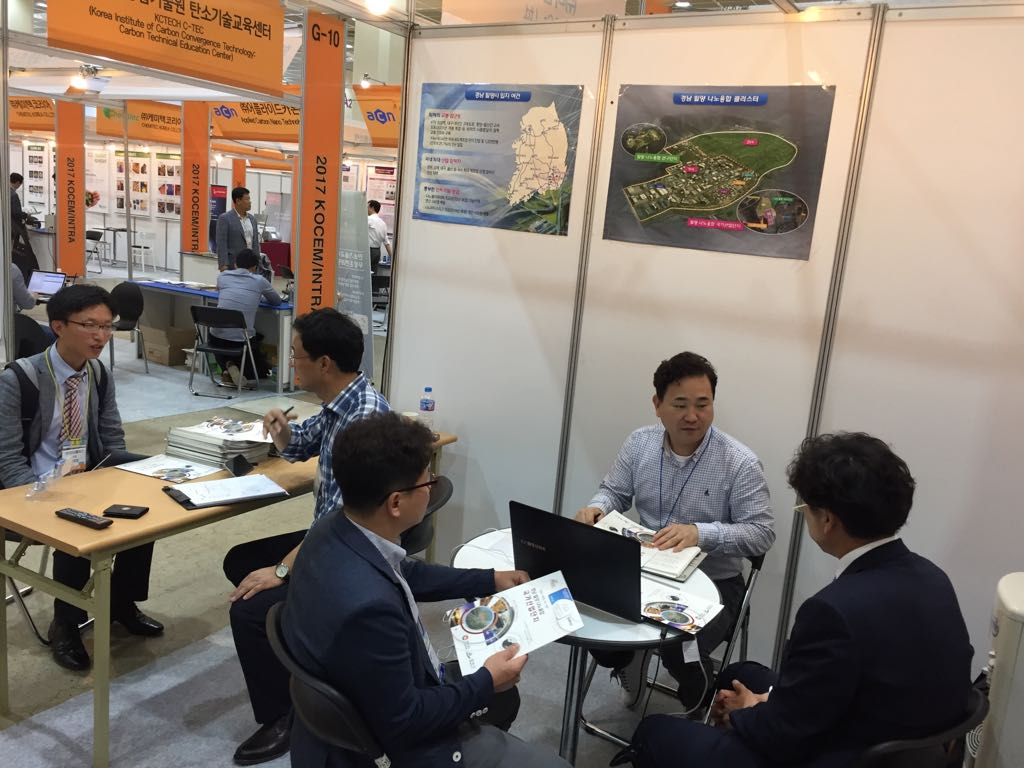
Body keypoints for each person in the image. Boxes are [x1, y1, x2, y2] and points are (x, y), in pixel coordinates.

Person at [624, 432, 974, 768]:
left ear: (827, 520)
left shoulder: (833, 612)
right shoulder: (933, 578)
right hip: (897, 739)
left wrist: (746, 712)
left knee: (654, 733)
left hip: (837, 755)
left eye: (805, 507)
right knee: (736, 675)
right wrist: (764, 702)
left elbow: (783, 736)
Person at [283, 411, 571, 768]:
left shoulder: (332, 529)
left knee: (504, 698)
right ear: (396, 503)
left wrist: (490, 579)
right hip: (397, 744)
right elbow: (406, 721)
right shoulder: (369, 608)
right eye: (427, 482)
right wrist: (485, 682)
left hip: (365, 700)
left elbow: (408, 573)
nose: (432, 488)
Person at [222, 308, 389, 765]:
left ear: (325, 364)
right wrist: (281, 430)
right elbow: (299, 445)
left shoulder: (363, 420)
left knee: (249, 609)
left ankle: (286, 717)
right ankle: (304, 644)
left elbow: (339, 522)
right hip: (335, 538)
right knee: (240, 562)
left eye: (296, 356)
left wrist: (281, 571)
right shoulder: (342, 402)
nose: (291, 363)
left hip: (351, 553)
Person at [575, 352, 774, 709]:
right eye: (680, 405)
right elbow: (614, 491)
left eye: (703, 404)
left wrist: (701, 534)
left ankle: (699, 704)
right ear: (657, 404)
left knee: (678, 650)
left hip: (714, 584)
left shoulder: (739, 462)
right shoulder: (640, 443)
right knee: (594, 619)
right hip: (643, 570)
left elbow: (761, 533)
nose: (692, 416)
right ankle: (627, 661)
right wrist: (598, 508)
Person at [0, 284, 162, 672]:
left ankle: (120, 602)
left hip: (86, 479)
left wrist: (124, 476)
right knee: (78, 523)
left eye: (107, 326)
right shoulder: (19, 379)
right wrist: (38, 500)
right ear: (58, 326)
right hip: (29, 488)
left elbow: (112, 436)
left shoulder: (98, 373)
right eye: (89, 325)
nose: (101, 336)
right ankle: (66, 621)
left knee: (145, 508)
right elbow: (7, 458)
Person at [211, 247, 282, 385]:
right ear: (254, 267)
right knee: (260, 372)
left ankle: (227, 366)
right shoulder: (259, 281)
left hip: (216, 338)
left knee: (221, 335)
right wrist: (258, 297)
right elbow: (276, 301)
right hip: (241, 340)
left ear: (235, 263)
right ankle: (232, 368)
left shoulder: (222, 277)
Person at [216, 186, 258, 271]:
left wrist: (257, 263)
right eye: (247, 199)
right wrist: (223, 265)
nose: (250, 202)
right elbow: (221, 244)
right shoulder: (225, 218)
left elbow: (255, 243)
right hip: (233, 265)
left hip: (251, 267)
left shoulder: (252, 219)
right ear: (238, 201)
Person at [367, 199, 393, 272]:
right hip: (377, 252)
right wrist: (393, 259)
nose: (366, 209)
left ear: (372, 208)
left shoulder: (368, 219)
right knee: (374, 274)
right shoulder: (383, 223)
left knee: (365, 275)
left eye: (367, 207)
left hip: (368, 251)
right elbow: (387, 243)